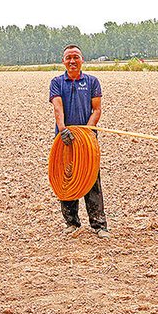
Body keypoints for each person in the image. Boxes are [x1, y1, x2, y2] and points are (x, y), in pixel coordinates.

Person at [49, 44, 109, 238]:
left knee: (91, 180)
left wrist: (88, 132)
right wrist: (63, 131)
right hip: (64, 140)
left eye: (76, 57)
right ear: (63, 61)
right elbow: (58, 108)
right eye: (68, 57)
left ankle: (99, 226)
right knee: (66, 178)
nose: (72, 61)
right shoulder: (57, 82)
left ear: (82, 60)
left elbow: (97, 110)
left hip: (87, 141)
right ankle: (72, 223)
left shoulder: (92, 82)